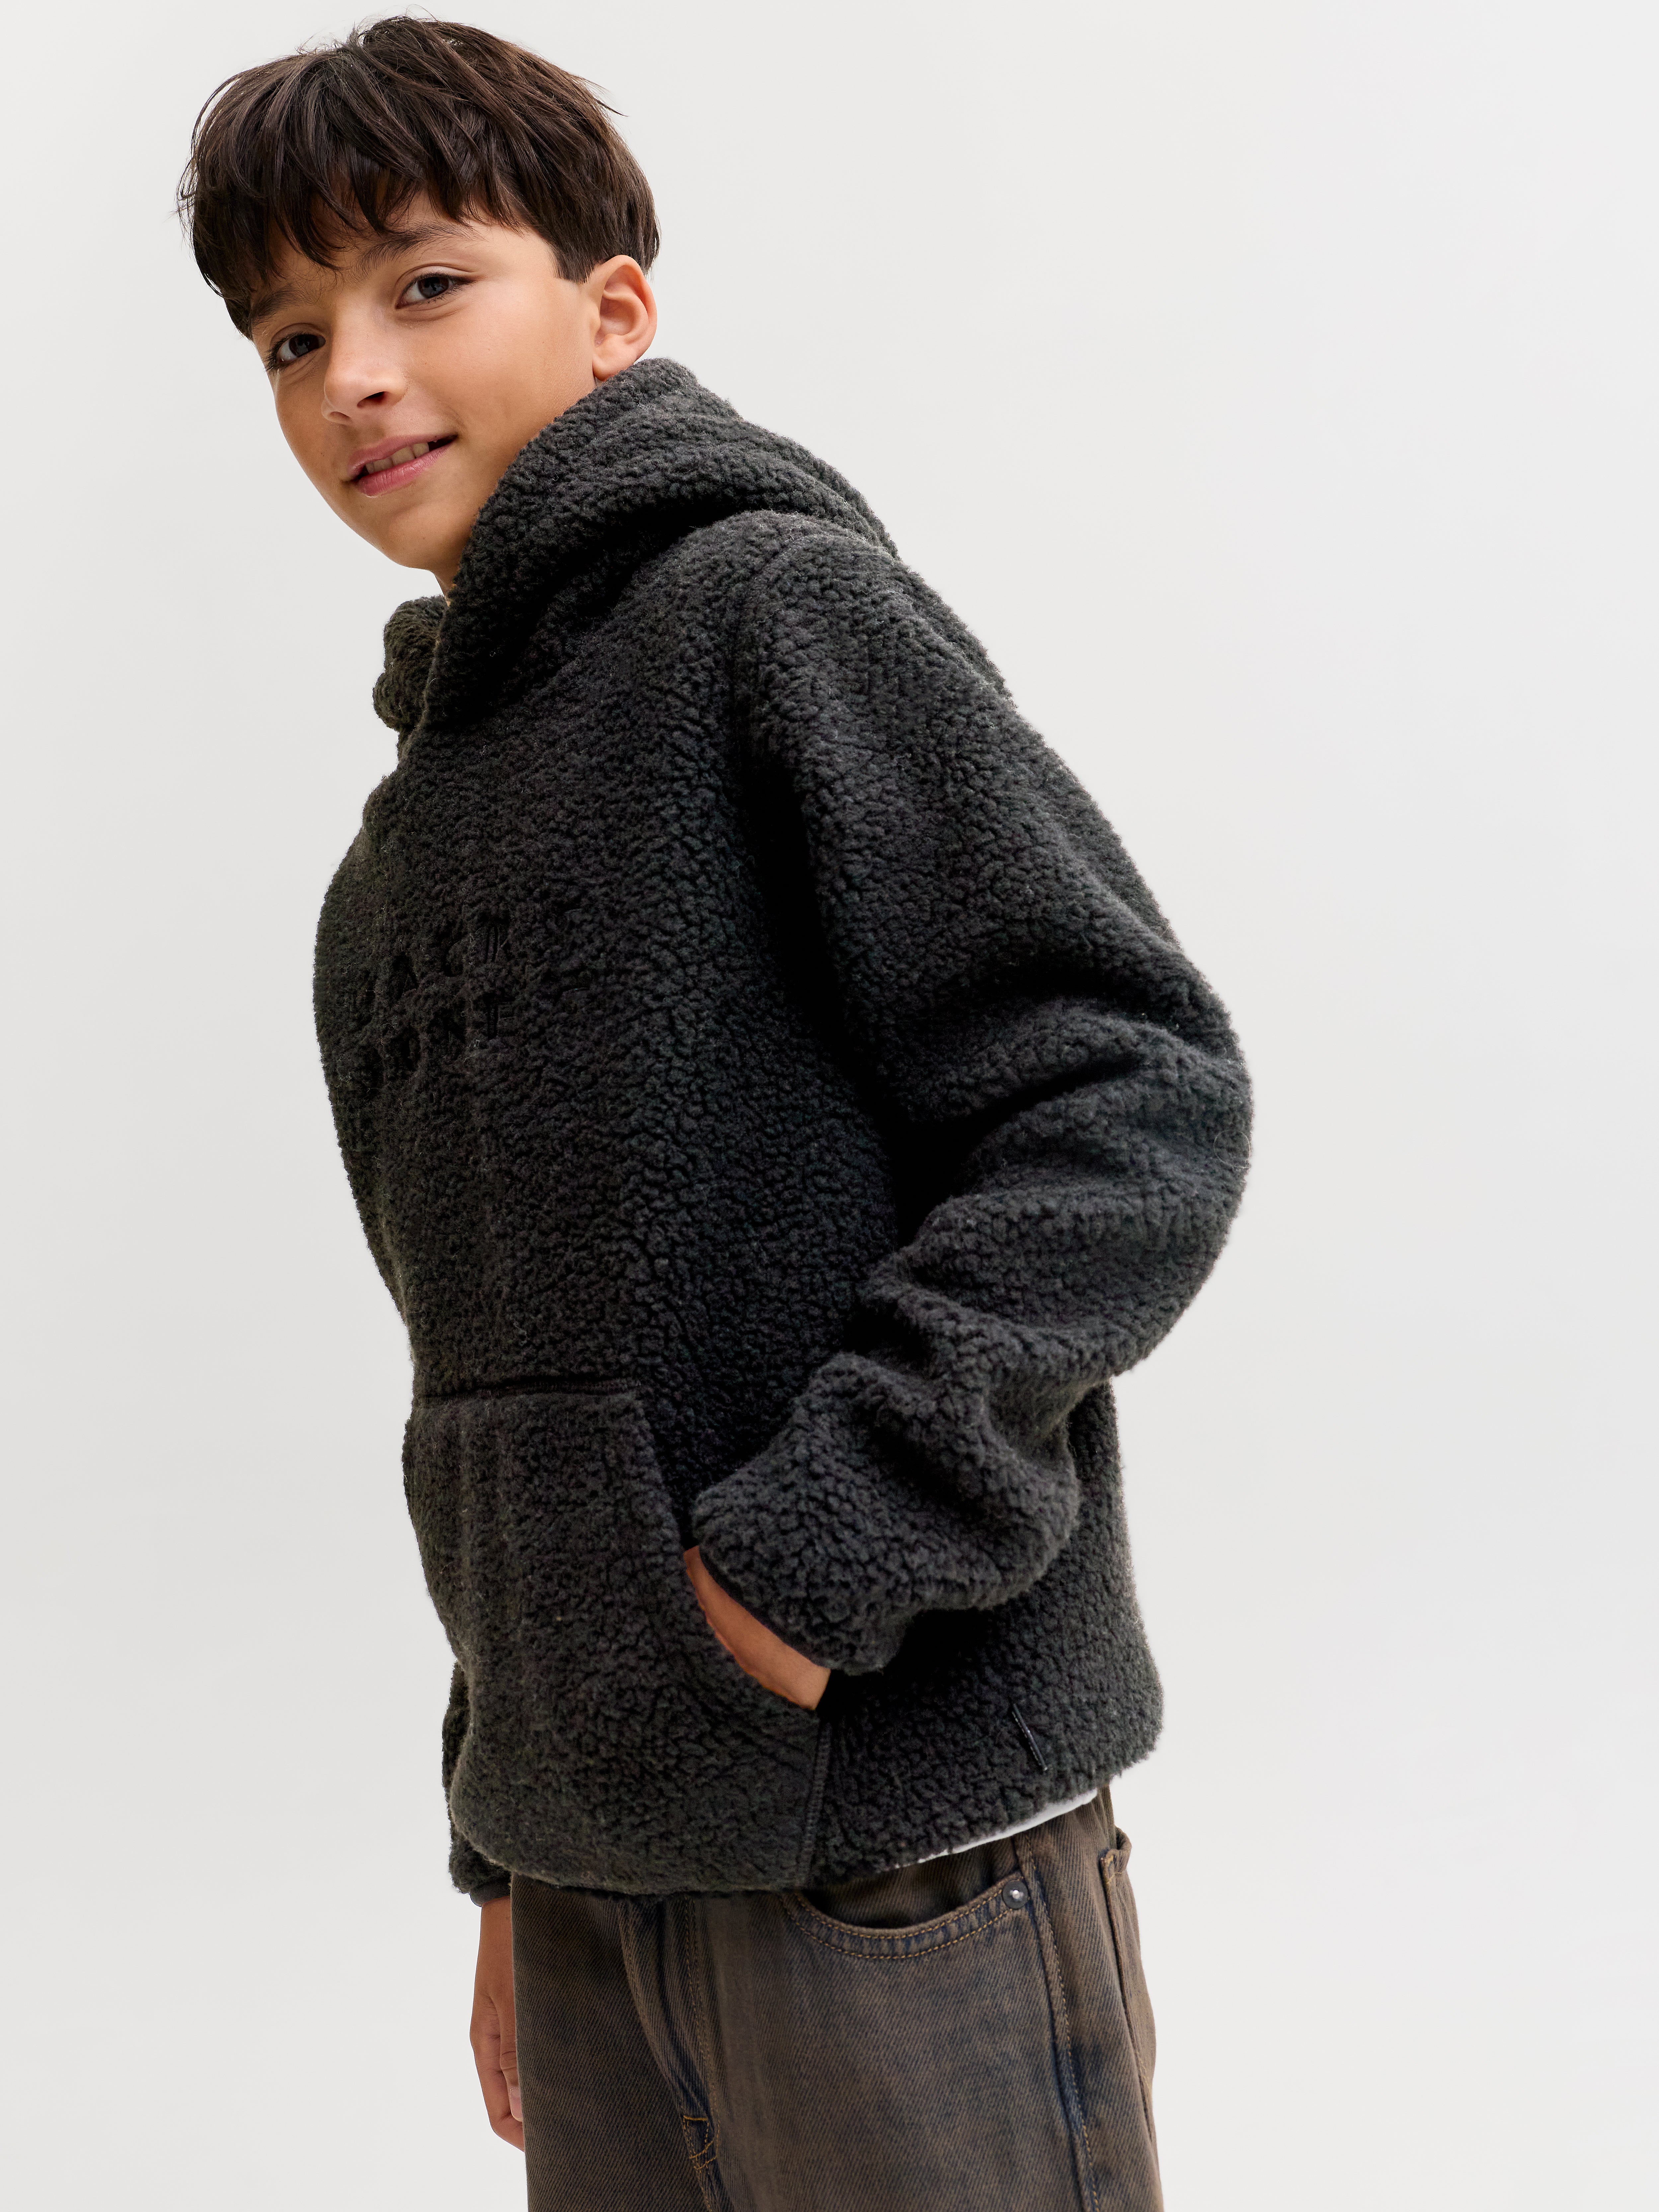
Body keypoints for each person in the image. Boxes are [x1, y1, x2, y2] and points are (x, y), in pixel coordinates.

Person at [180, 19, 1251, 2209]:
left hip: (903, 1847)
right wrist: (511, 1837)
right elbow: (491, 1395)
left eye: (423, 284)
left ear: (613, 310)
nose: (354, 375)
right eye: (288, 337)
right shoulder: (389, 875)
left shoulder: (768, 613)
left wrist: (799, 1576)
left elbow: (1126, 1096)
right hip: (594, 1874)